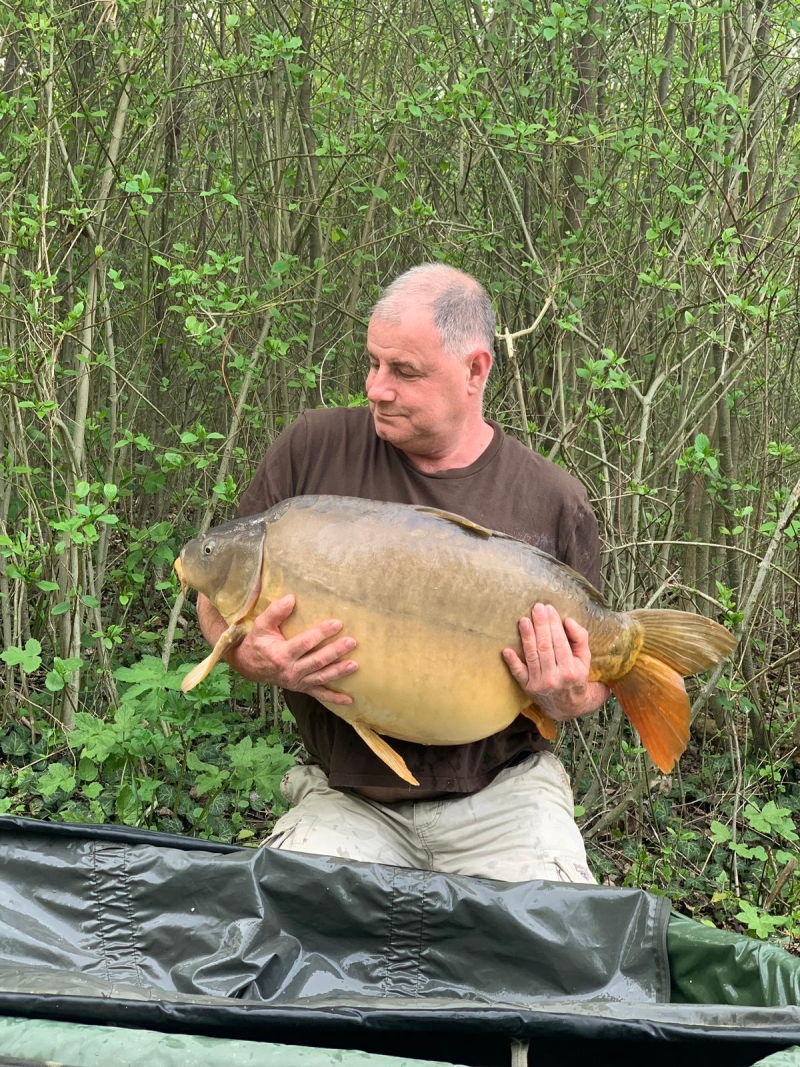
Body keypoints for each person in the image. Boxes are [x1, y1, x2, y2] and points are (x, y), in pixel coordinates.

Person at [198, 263, 608, 883]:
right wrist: (248, 656)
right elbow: (217, 590)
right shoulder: (312, 451)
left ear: (475, 370)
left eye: (404, 372)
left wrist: (566, 692)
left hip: (506, 799)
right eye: (373, 363)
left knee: (548, 951)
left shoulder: (552, 499)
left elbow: (586, 688)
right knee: (286, 928)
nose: (376, 389)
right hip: (351, 801)